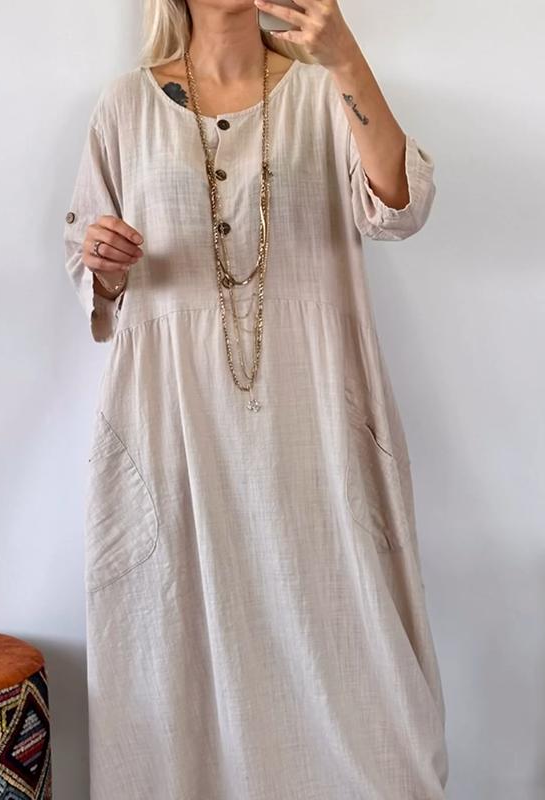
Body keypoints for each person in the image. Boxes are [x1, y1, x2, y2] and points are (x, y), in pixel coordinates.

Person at [63, 0, 448, 795]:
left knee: (360, 665)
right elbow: (91, 266)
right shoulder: (125, 105)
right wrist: (103, 259)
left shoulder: (321, 91)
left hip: (316, 418)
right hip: (175, 425)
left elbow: (400, 206)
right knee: (175, 663)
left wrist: (345, 56)